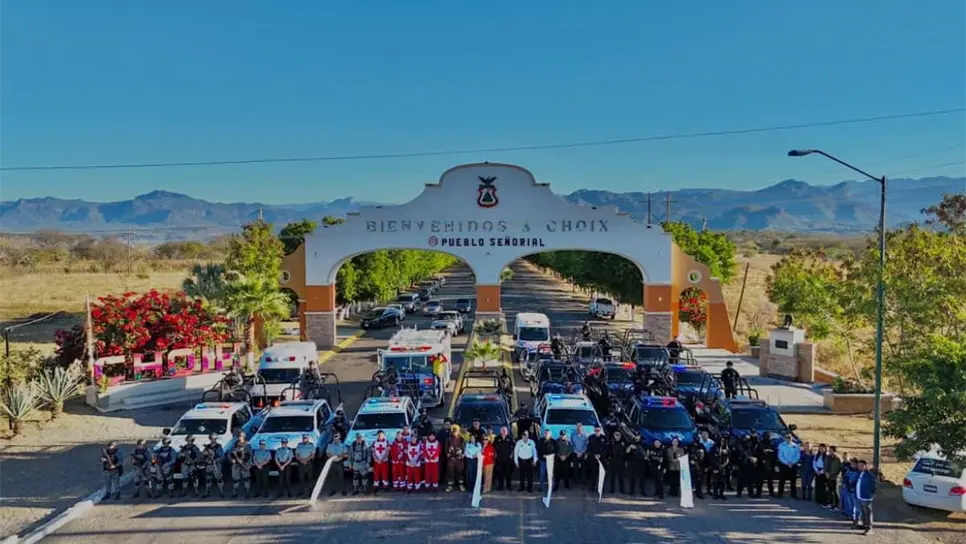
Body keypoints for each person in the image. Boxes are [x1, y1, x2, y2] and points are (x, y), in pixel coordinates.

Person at [854, 460, 876, 535]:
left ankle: (869, 528)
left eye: (861, 465)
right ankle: (865, 525)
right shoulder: (860, 473)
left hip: (866, 497)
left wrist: (873, 493)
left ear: (865, 466)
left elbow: (873, 485)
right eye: (859, 466)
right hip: (860, 496)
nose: (860, 467)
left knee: (868, 513)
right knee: (863, 512)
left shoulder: (869, 475)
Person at [229, 434, 253, 499]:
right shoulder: (235, 445)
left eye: (241, 437)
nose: (240, 438)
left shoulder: (247, 445)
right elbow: (229, 453)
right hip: (236, 464)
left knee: (246, 479)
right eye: (239, 437)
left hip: (244, 464)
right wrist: (232, 460)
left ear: (244, 437)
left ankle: (247, 493)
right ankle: (235, 493)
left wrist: (248, 464)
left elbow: (251, 455)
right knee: (235, 479)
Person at [777, 434, 801, 499]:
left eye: (789, 437)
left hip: (793, 465)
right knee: (782, 480)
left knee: (793, 481)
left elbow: (798, 455)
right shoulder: (781, 445)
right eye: (787, 437)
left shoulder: (795, 446)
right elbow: (780, 456)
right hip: (784, 465)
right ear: (784, 438)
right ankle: (780, 494)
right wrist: (787, 463)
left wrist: (792, 463)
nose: (788, 438)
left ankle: (793, 495)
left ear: (792, 438)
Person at [202, 433, 225, 498]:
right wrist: (206, 459)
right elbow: (203, 455)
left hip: (216, 465)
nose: (213, 440)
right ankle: (206, 492)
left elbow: (222, 457)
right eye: (211, 439)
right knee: (208, 479)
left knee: (219, 479)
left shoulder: (219, 447)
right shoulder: (207, 446)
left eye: (214, 439)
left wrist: (216, 460)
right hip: (209, 465)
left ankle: (221, 492)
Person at [492, 426, 513, 491]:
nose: (504, 432)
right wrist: (494, 454)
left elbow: (514, 447)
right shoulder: (497, 438)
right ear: (500, 431)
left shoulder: (510, 438)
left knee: (508, 473)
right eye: (502, 430)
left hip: (508, 459)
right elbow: (493, 447)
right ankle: (500, 486)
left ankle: (509, 486)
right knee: (500, 473)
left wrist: (512, 454)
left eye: (505, 430)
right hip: (499, 458)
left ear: (507, 431)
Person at [446, 424, 466, 492]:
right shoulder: (448, 439)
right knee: (450, 472)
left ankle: (461, 485)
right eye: (453, 431)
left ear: (458, 431)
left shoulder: (461, 438)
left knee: (460, 472)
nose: (454, 432)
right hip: (451, 458)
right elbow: (446, 448)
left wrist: (462, 454)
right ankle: (450, 485)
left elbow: (463, 447)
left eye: (456, 430)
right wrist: (448, 454)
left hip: (459, 458)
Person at [587, 426, 608, 491]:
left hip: (602, 458)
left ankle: (602, 488)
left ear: (600, 430)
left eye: (598, 430)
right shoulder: (591, 437)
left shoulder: (604, 438)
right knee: (593, 473)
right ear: (594, 430)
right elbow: (589, 448)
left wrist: (600, 455)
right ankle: (592, 487)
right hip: (593, 458)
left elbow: (606, 449)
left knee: (601, 474)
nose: (597, 431)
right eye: (596, 430)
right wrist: (594, 455)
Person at [757, 432, 777, 497]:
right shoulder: (760, 444)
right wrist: (762, 459)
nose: (767, 437)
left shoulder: (772, 444)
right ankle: (758, 493)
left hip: (770, 463)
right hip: (762, 464)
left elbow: (775, 454)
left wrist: (773, 463)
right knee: (760, 480)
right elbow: (758, 453)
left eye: (768, 436)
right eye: (766, 436)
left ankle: (771, 492)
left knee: (770, 480)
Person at [570, 423, 589, 488]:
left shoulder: (585, 435)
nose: (579, 429)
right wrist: (577, 452)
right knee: (575, 467)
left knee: (584, 468)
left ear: (582, 428)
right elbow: (572, 444)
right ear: (576, 428)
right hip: (575, 453)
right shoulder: (573, 435)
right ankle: (575, 480)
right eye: (577, 428)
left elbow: (586, 445)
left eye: (580, 428)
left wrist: (581, 452)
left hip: (582, 453)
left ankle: (583, 480)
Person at [825, 445, 843, 510]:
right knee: (829, 490)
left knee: (835, 491)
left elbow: (840, 468)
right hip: (828, 476)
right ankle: (830, 503)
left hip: (835, 477)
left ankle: (836, 505)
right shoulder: (827, 457)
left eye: (831, 450)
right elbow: (825, 466)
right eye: (829, 450)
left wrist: (836, 475)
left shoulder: (838, 458)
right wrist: (826, 473)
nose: (830, 452)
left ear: (834, 451)